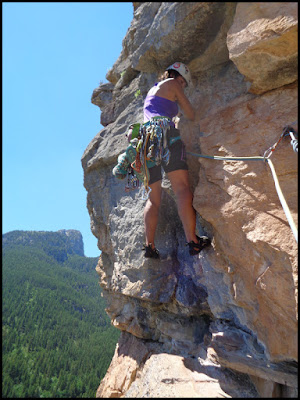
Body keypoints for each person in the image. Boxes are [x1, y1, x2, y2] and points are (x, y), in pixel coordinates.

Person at [142, 62, 211, 259]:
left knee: (153, 198)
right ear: (176, 76)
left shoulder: (153, 91)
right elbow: (191, 113)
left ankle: (150, 246)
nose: (182, 85)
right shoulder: (172, 83)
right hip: (165, 135)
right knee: (181, 188)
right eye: (182, 82)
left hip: (146, 142)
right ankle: (193, 241)